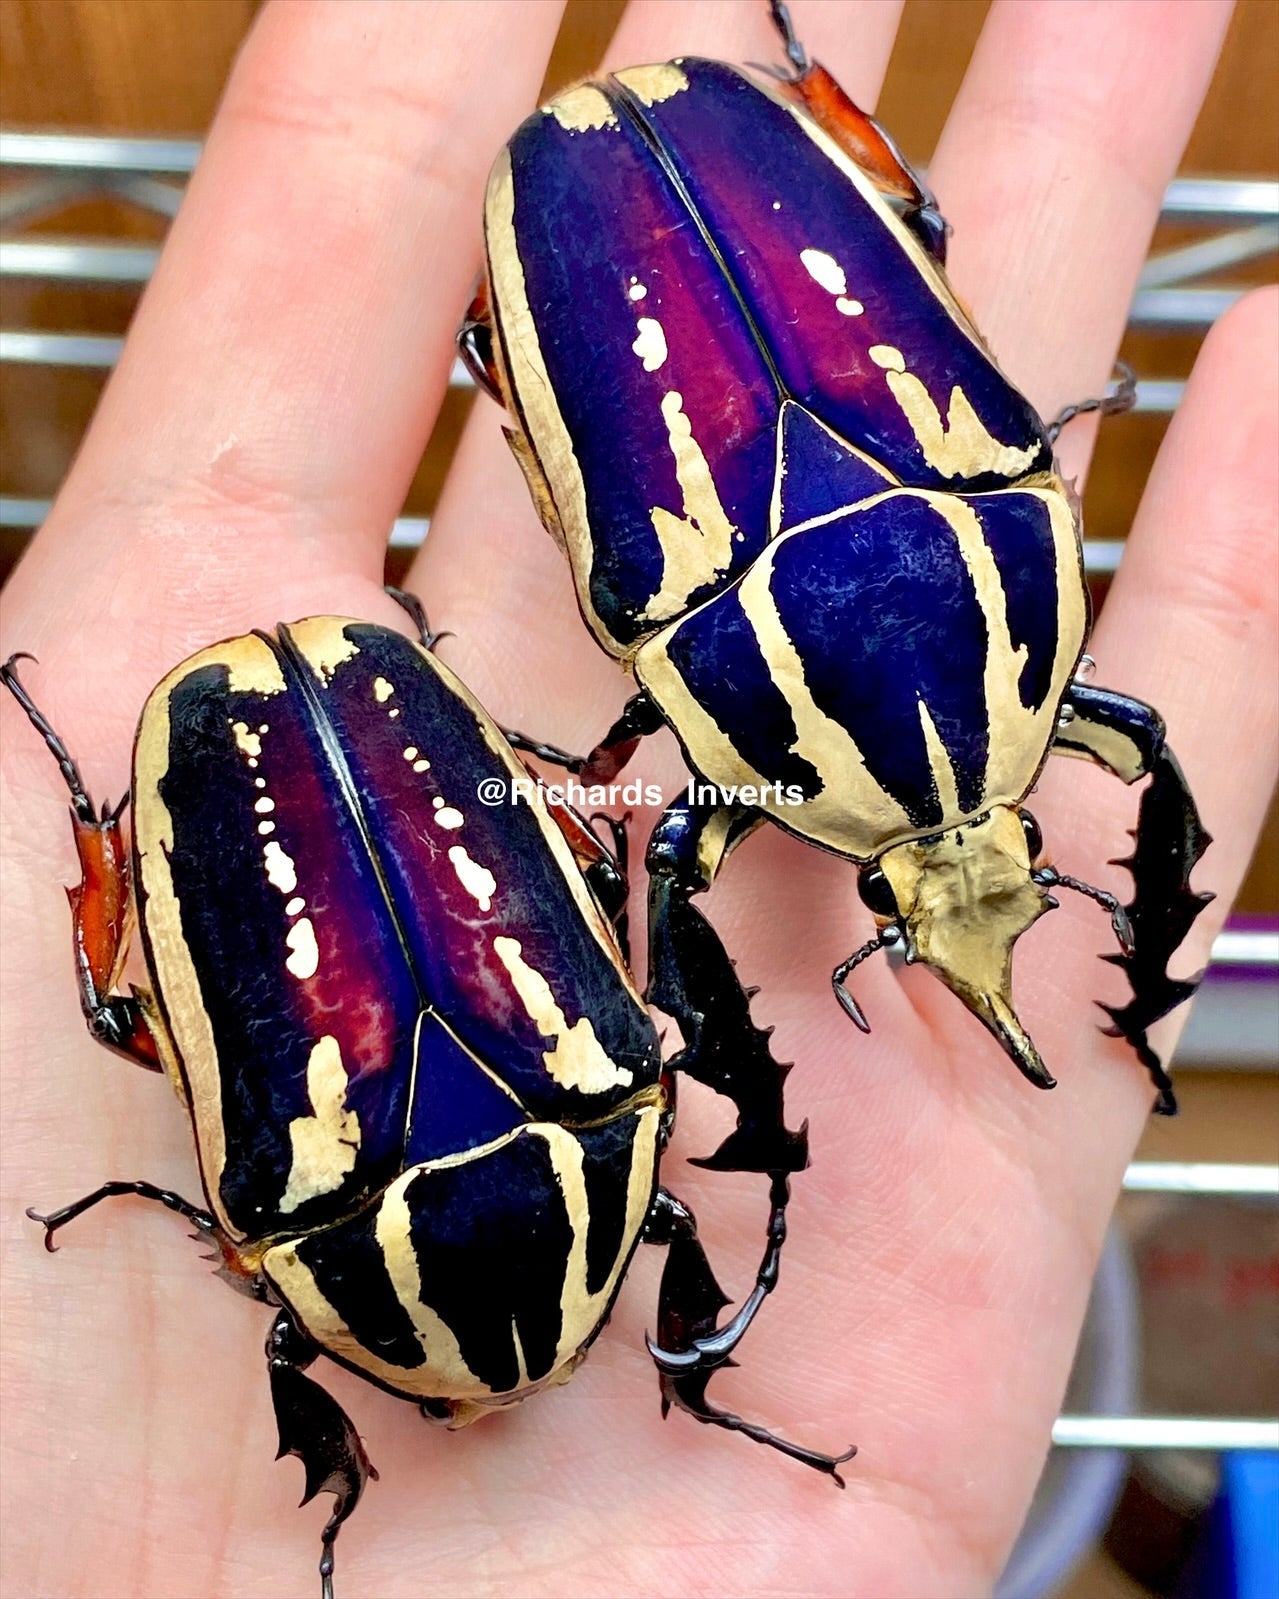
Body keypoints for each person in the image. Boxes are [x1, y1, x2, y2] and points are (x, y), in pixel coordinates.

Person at [1, 2, 1274, 1595]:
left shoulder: (912, 610)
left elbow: (671, 851)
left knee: (665, 830)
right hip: (676, 466)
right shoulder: (350, 1194)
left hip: (681, 470)